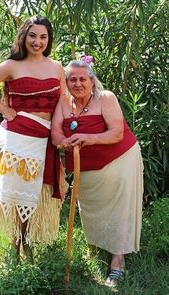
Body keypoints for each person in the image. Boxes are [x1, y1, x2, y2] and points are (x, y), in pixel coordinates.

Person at [0, 15, 67, 262]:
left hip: (43, 139)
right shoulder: (12, 66)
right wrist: (5, 110)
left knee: (34, 195)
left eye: (43, 36)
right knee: (17, 195)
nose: (37, 42)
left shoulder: (56, 67)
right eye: (33, 35)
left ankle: (27, 243)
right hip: (17, 137)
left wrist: (62, 131)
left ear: (49, 39)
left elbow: (63, 103)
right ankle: (16, 245)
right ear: (24, 36)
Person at [51, 56, 144, 287]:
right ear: (66, 82)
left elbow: (116, 133)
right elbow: (55, 134)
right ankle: (95, 247)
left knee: (120, 208)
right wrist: (65, 144)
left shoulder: (106, 98)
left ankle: (118, 261)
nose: (77, 84)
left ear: (92, 81)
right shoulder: (63, 102)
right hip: (86, 166)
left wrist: (88, 138)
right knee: (90, 207)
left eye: (83, 79)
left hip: (120, 159)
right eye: (72, 79)